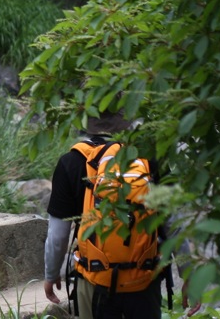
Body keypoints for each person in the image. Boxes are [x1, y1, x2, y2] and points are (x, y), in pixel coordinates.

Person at [43, 110, 187, 319]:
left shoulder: (72, 162)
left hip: (95, 281)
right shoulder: (149, 157)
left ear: (86, 119)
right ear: (127, 119)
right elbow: (174, 223)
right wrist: (189, 274)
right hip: (143, 281)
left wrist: (51, 273)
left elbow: (58, 235)